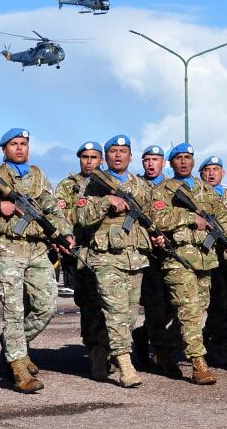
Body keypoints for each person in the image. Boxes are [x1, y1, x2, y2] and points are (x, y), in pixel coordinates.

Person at [0, 128, 74, 393]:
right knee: (14, 311)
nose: (20, 148)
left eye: (24, 143)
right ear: (4, 149)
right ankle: (18, 368)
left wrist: (65, 233)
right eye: (14, 144)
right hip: (8, 248)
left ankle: (14, 344)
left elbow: (53, 210)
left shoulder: (38, 176)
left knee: (46, 306)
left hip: (37, 248)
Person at [150, 143, 227, 385]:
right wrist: (190, 217)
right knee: (190, 311)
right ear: (171, 163)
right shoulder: (163, 190)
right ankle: (198, 363)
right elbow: (158, 218)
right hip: (178, 259)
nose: (183, 162)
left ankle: (166, 350)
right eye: (178, 158)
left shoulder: (205, 189)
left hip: (205, 259)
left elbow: (223, 216)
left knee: (195, 311)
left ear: (193, 161)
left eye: (187, 158)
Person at [78, 134, 155, 387]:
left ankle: (101, 352)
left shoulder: (140, 185)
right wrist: (105, 202)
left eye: (123, 151)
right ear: (106, 156)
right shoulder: (94, 184)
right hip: (105, 257)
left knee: (130, 316)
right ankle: (125, 365)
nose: (118, 155)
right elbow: (80, 216)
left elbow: (151, 214)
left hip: (135, 257)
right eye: (113, 151)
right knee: (115, 313)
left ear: (131, 156)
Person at [54, 141, 109, 379]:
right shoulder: (68, 186)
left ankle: (107, 351)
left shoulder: (111, 184)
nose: (89, 161)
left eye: (94, 157)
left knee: (113, 306)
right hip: (81, 255)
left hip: (108, 253)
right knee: (89, 305)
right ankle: (95, 349)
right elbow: (60, 214)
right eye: (85, 157)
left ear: (101, 160)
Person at [132, 145, 181, 376]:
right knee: (155, 306)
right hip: (147, 256)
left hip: (172, 254)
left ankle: (145, 336)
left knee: (175, 305)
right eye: (147, 160)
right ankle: (161, 353)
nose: (151, 164)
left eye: (155, 159)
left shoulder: (173, 187)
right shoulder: (136, 186)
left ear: (164, 163)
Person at [198, 156, 227, 367]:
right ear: (201, 174)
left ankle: (210, 335)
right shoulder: (196, 196)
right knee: (217, 302)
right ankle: (219, 343)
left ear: (223, 173)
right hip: (207, 258)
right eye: (207, 170)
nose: (212, 173)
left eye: (216, 169)